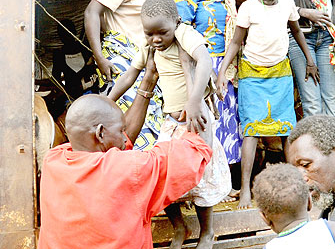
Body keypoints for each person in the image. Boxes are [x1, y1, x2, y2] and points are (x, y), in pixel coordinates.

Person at [108, 0, 231, 249]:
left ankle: (207, 233)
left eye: (162, 32)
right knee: (163, 174)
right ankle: (180, 227)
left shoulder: (184, 35)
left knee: (202, 175)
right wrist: (107, 101)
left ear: (176, 22)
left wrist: (195, 100)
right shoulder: (151, 45)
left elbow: (206, 60)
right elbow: (130, 74)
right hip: (171, 122)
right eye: (149, 33)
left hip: (196, 118)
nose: (156, 39)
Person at [38, 80, 213, 247]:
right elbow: (198, 151)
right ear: (100, 133)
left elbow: (118, 145)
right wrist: (198, 98)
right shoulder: (130, 170)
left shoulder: (53, 160)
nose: (124, 137)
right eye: (120, 131)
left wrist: (147, 84)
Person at [216, 0, 319, 209]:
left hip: (280, 74)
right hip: (251, 74)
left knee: (286, 130)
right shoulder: (249, 8)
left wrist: (309, 60)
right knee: (251, 130)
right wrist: (222, 72)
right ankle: (246, 191)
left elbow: (297, 32)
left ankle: (297, 185)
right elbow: (236, 42)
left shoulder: (287, 5)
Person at [168, 0, 242, 195]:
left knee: (227, 126)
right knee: (206, 125)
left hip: (225, 65)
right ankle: (203, 186)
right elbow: (181, 32)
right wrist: (206, 69)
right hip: (200, 63)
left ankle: (223, 185)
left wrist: (223, 69)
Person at [84, 0, 163, 151]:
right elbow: (92, 12)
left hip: (133, 61)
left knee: (135, 123)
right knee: (130, 125)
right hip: (122, 61)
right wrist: (99, 57)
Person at [52, 18, 98, 101]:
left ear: (74, 32)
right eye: (63, 33)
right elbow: (56, 78)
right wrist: (66, 92)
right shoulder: (58, 55)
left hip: (92, 93)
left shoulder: (85, 49)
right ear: (60, 36)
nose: (66, 36)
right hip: (72, 96)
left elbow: (94, 70)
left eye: (68, 32)